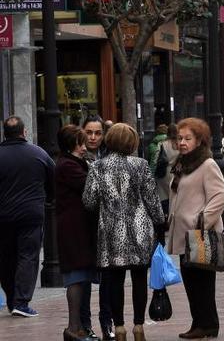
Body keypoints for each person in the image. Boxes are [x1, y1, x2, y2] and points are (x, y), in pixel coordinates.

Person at [82, 123, 164, 341]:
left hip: (110, 232)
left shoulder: (98, 167)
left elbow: (88, 202)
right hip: (140, 229)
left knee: (115, 280)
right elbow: (153, 201)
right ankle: (138, 326)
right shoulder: (141, 165)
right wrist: (160, 223)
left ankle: (119, 328)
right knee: (139, 278)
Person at [166, 118, 224, 339]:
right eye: (179, 138)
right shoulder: (182, 163)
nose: (182, 142)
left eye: (187, 138)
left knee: (202, 283)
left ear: (199, 140)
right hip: (184, 234)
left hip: (199, 235)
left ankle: (208, 324)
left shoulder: (207, 164)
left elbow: (220, 195)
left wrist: (202, 220)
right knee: (191, 282)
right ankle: (198, 322)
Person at [0, 117, 55, 318]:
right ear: (24, 132)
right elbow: (52, 181)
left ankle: (13, 298)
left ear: (5, 133)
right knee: (28, 255)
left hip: (3, 215)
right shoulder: (39, 154)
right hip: (31, 213)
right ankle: (21, 302)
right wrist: (48, 199)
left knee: (5, 258)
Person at [56, 125, 100, 340]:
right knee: (76, 276)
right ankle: (74, 327)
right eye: (81, 143)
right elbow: (90, 186)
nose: (84, 147)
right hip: (74, 230)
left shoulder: (74, 163)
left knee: (82, 276)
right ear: (72, 145)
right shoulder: (68, 166)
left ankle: (80, 327)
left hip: (79, 228)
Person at [78, 115, 115, 339]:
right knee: (84, 278)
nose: (93, 137)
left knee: (107, 278)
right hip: (85, 225)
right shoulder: (78, 156)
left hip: (107, 225)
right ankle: (85, 323)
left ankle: (106, 322)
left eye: (97, 133)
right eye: (89, 132)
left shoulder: (110, 156)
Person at [156, 123, 179, 216]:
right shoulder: (180, 144)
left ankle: (166, 217)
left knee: (164, 196)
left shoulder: (163, 144)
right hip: (176, 172)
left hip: (165, 173)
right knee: (175, 195)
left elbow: (157, 159)